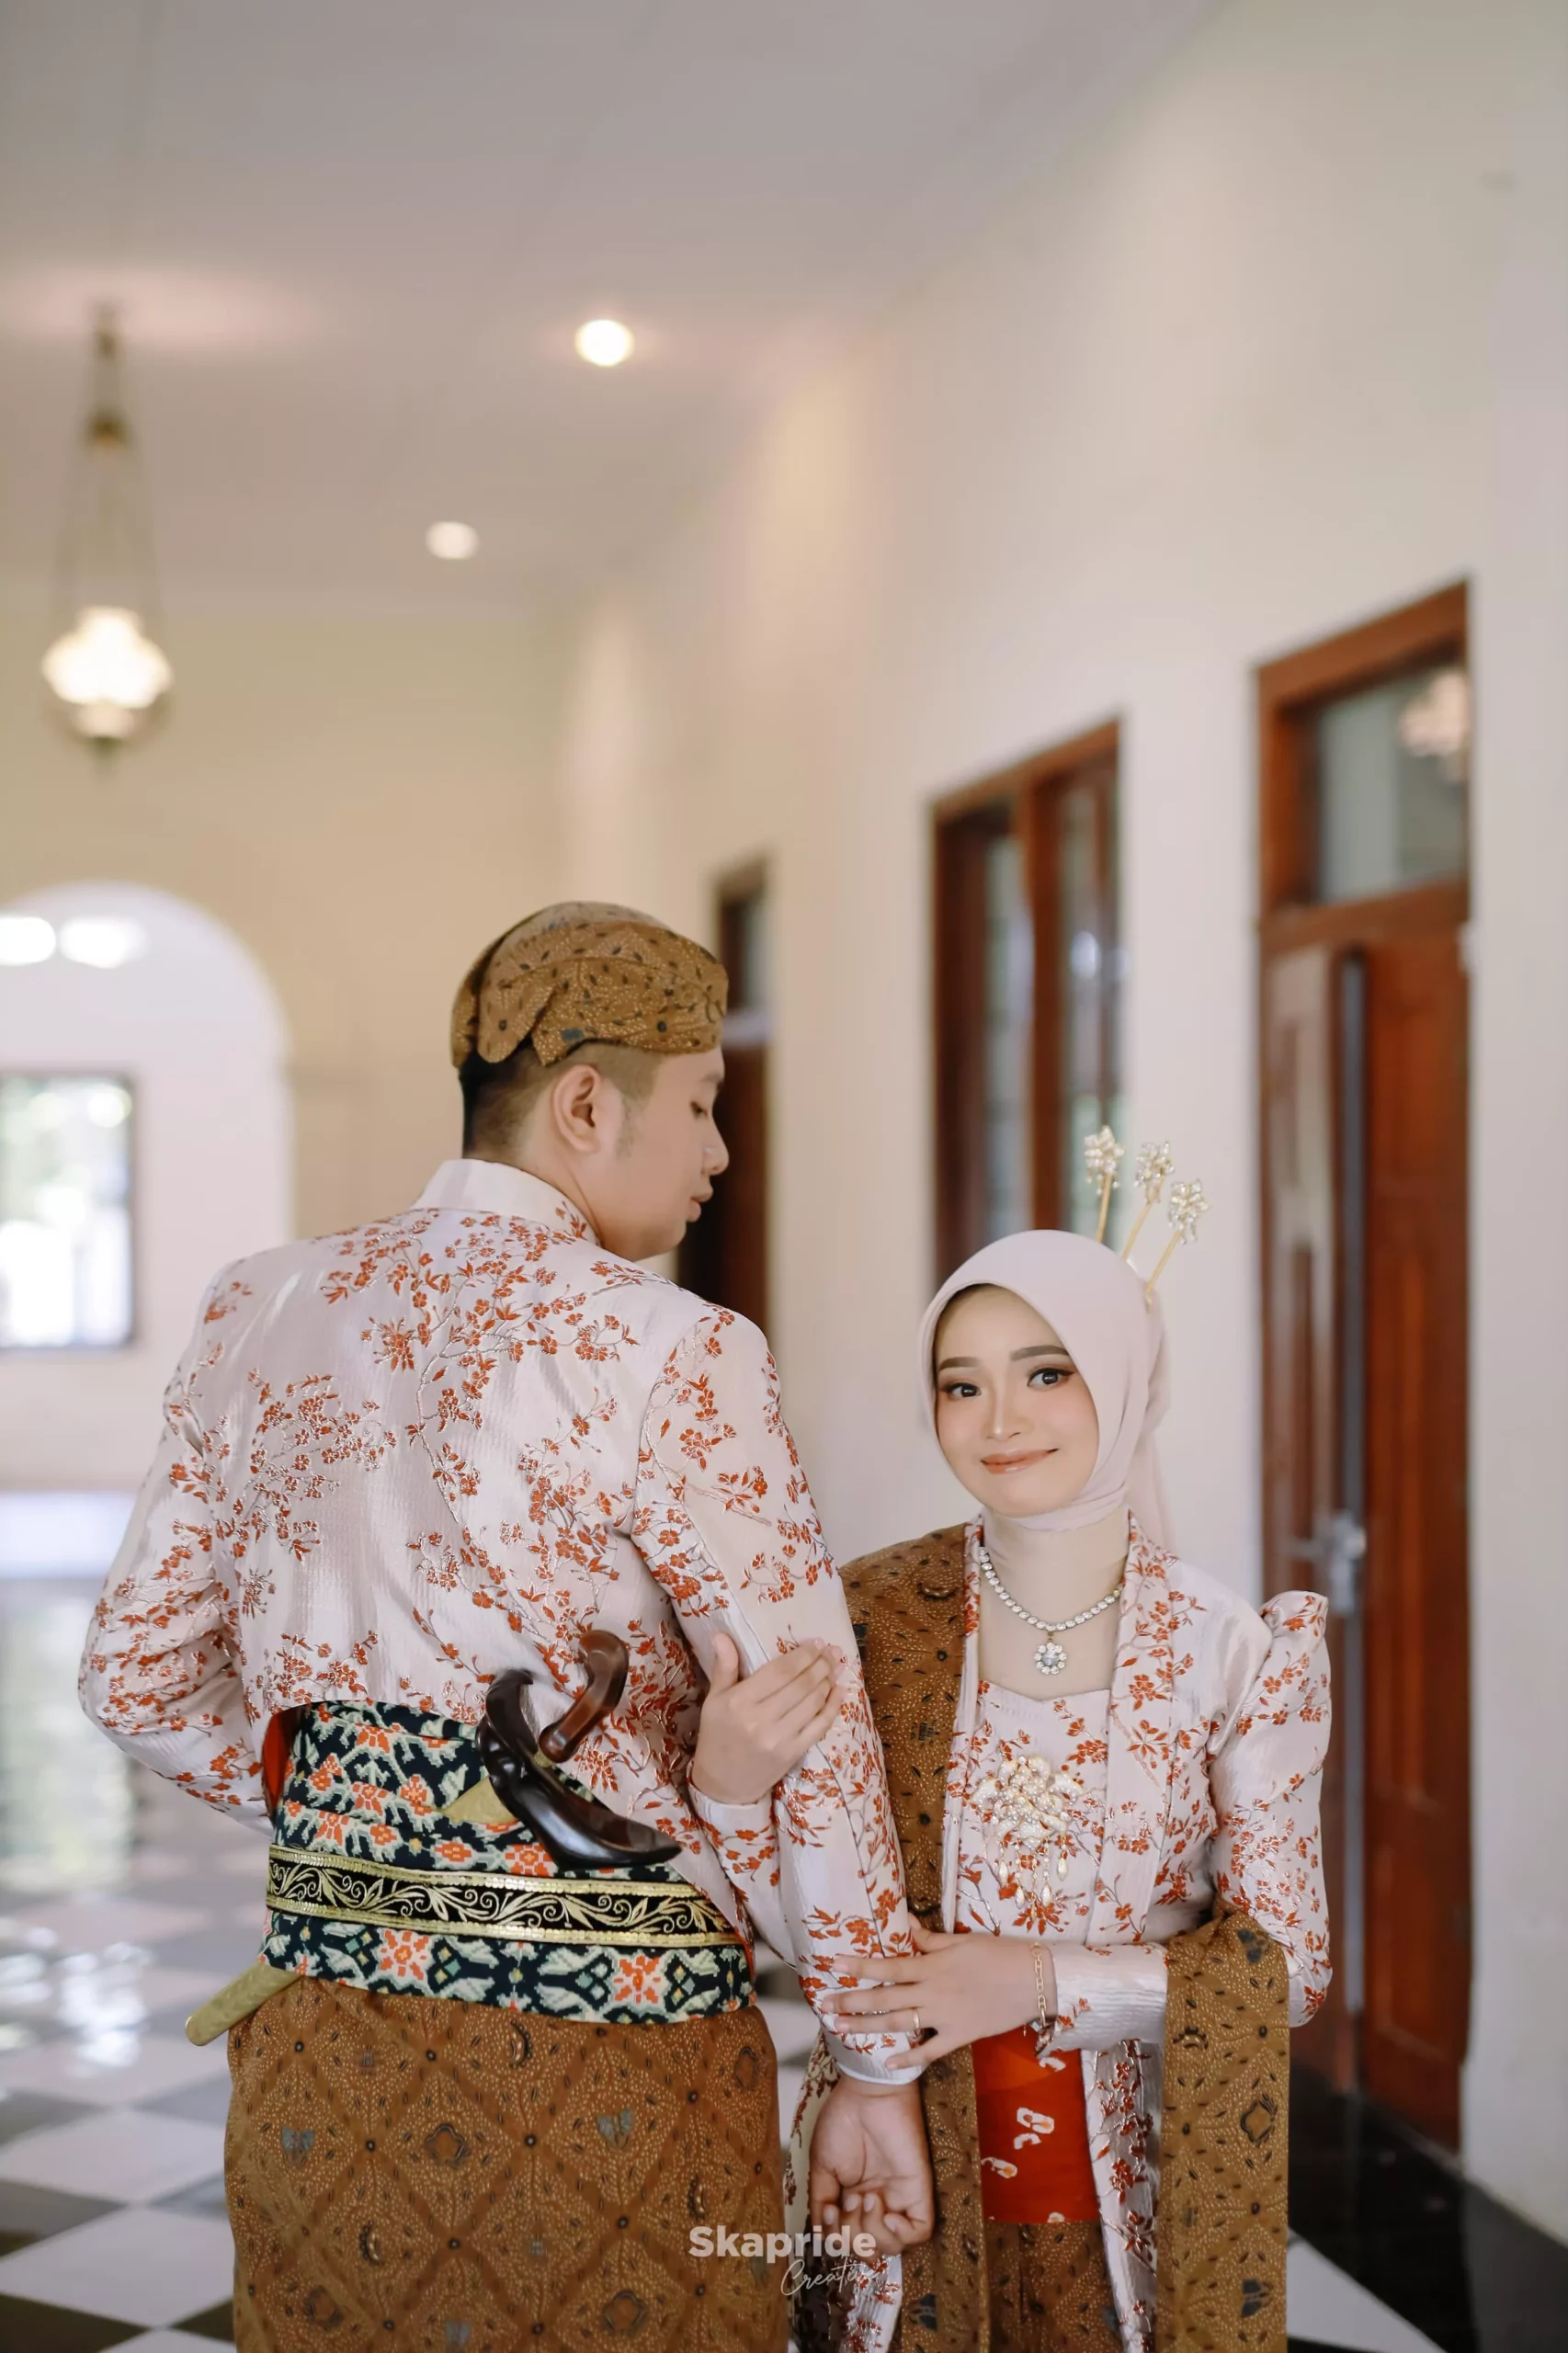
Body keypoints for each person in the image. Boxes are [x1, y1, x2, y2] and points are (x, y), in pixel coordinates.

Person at [79, 903, 933, 2353]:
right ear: (587, 1106)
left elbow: (133, 1680)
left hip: (325, 2063)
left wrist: (375, 1817)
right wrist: (870, 2061)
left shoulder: (257, 1308)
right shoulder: (670, 1349)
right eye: (703, 1105)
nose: (721, 1152)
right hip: (616, 2073)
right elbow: (813, 1741)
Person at [693, 1211, 1330, 2352]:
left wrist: (1035, 1980)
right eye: (960, 1384)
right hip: (902, 2139)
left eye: (1046, 1372)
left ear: (1125, 1380)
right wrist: (730, 1788)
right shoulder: (864, 1618)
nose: (998, 1420)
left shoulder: (1227, 1648)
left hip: (1131, 2176)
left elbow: (1285, 1969)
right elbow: (793, 1925)